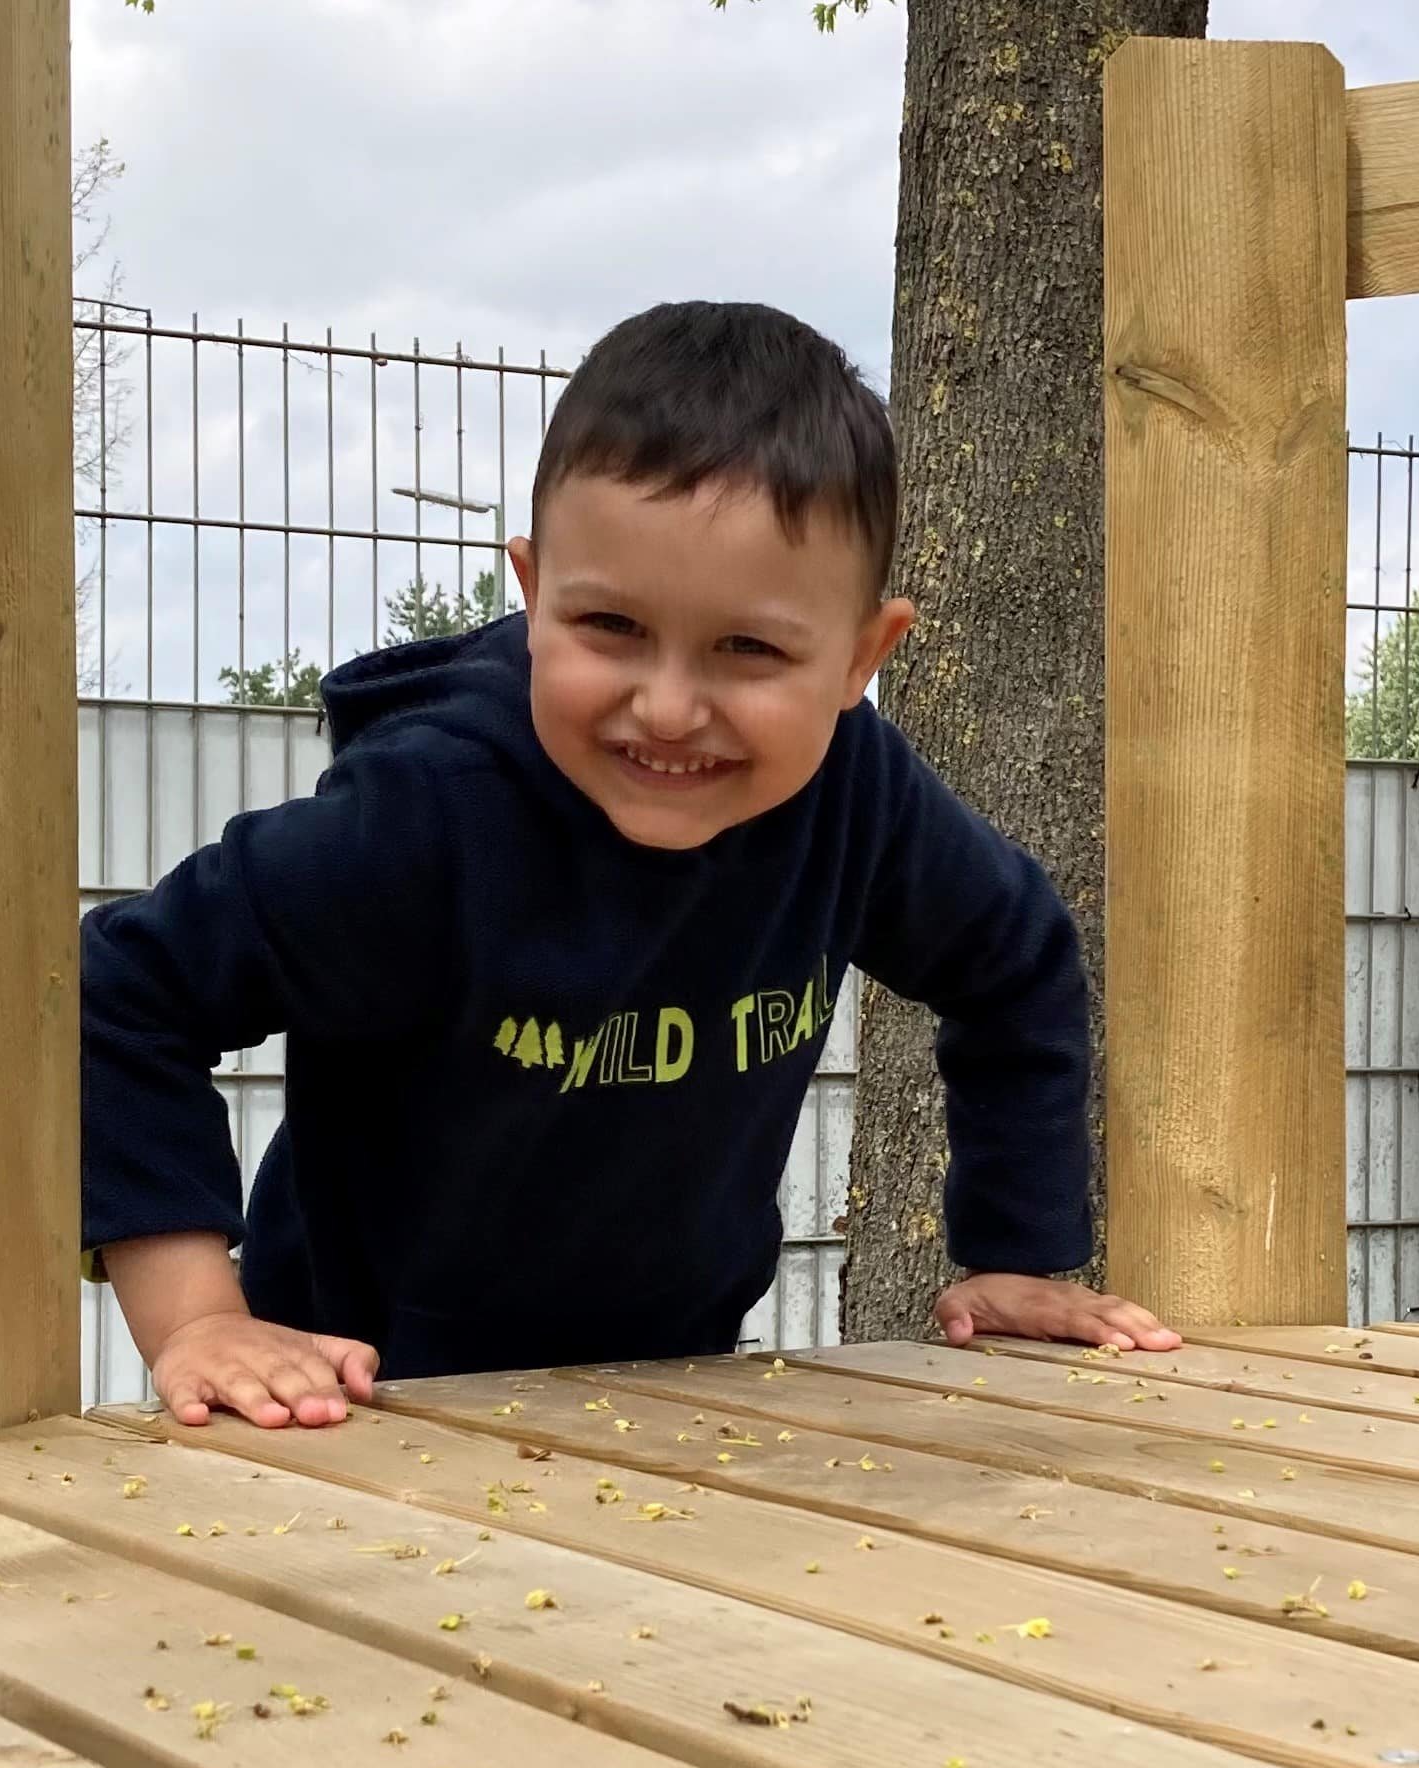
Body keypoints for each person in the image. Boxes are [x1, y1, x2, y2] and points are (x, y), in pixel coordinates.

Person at [82, 299, 1177, 1431]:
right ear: (531, 591)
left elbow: (1015, 959)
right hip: (357, 1396)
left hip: (669, 1389)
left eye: (746, 649)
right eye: (608, 627)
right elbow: (117, 995)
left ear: (861, 656)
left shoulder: (859, 796)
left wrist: (1018, 1256)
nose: (665, 707)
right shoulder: (423, 815)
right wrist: (201, 1320)